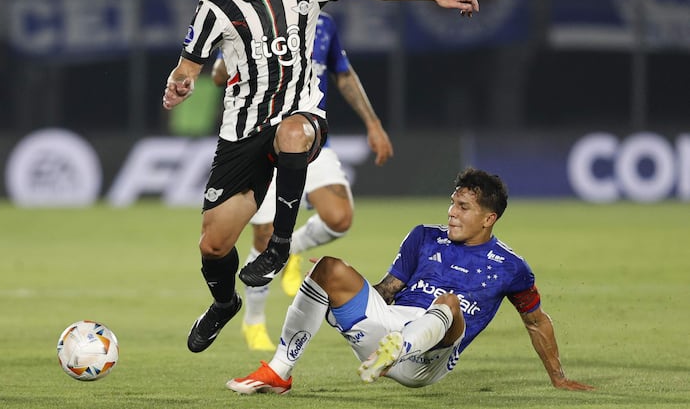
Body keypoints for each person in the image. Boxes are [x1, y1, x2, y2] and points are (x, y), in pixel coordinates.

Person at [161, 0, 478, 355]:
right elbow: (189, 65)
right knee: (213, 246)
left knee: (292, 134)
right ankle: (223, 303)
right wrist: (180, 84)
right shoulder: (215, 5)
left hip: (301, 116)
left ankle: (279, 246)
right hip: (241, 134)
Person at [227, 167, 595, 394]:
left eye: (463, 208)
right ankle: (279, 371)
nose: (451, 213)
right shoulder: (423, 236)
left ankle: (395, 352)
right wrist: (336, 298)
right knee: (327, 267)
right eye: (452, 203)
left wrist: (558, 377)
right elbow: (387, 290)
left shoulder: (511, 266)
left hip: (429, 357)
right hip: (387, 330)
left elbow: (536, 321)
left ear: (489, 219)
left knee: (448, 304)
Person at [211, 0, 395, 351]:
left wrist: (374, 123)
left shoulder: (323, 26)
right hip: (261, 138)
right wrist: (228, 62)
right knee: (260, 234)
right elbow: (219, 74)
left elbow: (343, 76)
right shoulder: (247, 17)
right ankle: (254, 320)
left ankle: (287, 247)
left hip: (307, 134)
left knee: (338, 217)